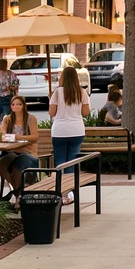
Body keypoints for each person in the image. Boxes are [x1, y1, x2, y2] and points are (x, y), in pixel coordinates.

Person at [48, 65, 90, 203]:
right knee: (72, 162)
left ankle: (61, 191)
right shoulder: (82, 92)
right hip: (76, 129)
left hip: (59, 130)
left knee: (60, 161)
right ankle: (69, 192)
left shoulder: (57, 92)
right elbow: (85, 112)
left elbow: (52, 113)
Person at [0, 94, 39, 205]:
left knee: (18, 164)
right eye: (13, 104)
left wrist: (18, 137)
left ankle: (18, 195)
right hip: (12, 151)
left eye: (19, 104)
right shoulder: (8, 119)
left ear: (24, 106)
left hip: (27, 151)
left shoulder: (30, 118)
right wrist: (4, 134)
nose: (16, 107)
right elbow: (2, 133)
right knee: (0, 163)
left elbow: (34, 137)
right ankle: (17, 191)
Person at [0, 56, 19, 131]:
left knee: (6, 117)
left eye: (1, 64)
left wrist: (10, 88)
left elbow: (16, 86)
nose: (0, 66)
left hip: (8, 97)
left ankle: (5, 131)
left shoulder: (11, 74)